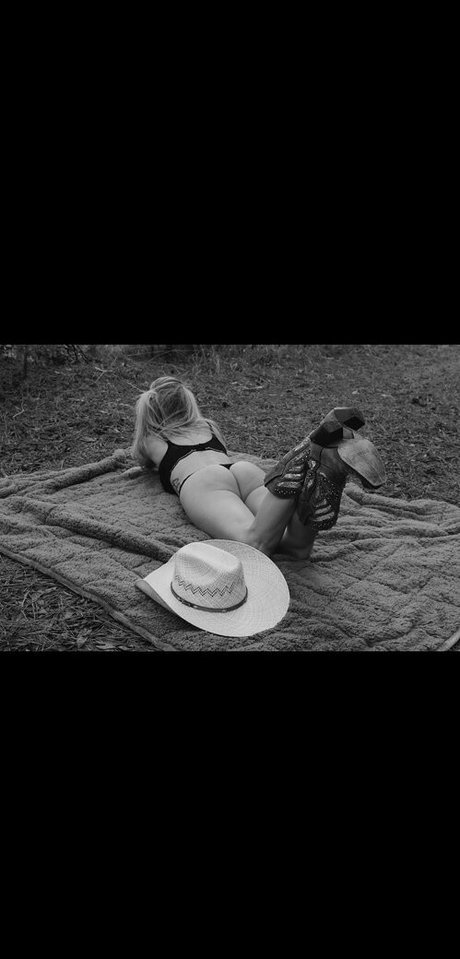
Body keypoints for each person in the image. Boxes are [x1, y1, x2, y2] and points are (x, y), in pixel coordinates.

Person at [131, 375, 386, 559]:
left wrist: (148, 424)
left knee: (255, 543)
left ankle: (302, 455)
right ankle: (322, 466)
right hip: (242, 471)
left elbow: (141, 460)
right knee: (295, 548)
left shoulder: (153, 439)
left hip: (203, 480)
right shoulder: (207, 427)